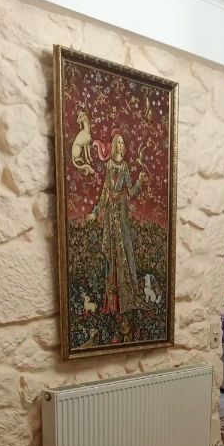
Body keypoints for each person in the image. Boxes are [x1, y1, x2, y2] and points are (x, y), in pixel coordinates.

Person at [87, 131, 147, 315]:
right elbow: (105, 192)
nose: (120, 145)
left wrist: (139, 182)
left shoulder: (125, 166)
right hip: (109, 216)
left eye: (122, 143)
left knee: (123, 252)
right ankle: (112, 303)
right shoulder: (109, 164)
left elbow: (131, 191)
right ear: (114, 146)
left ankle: (125, 299)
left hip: (120, 214)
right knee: (111, 254)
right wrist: (95, 212)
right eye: (118, 142)